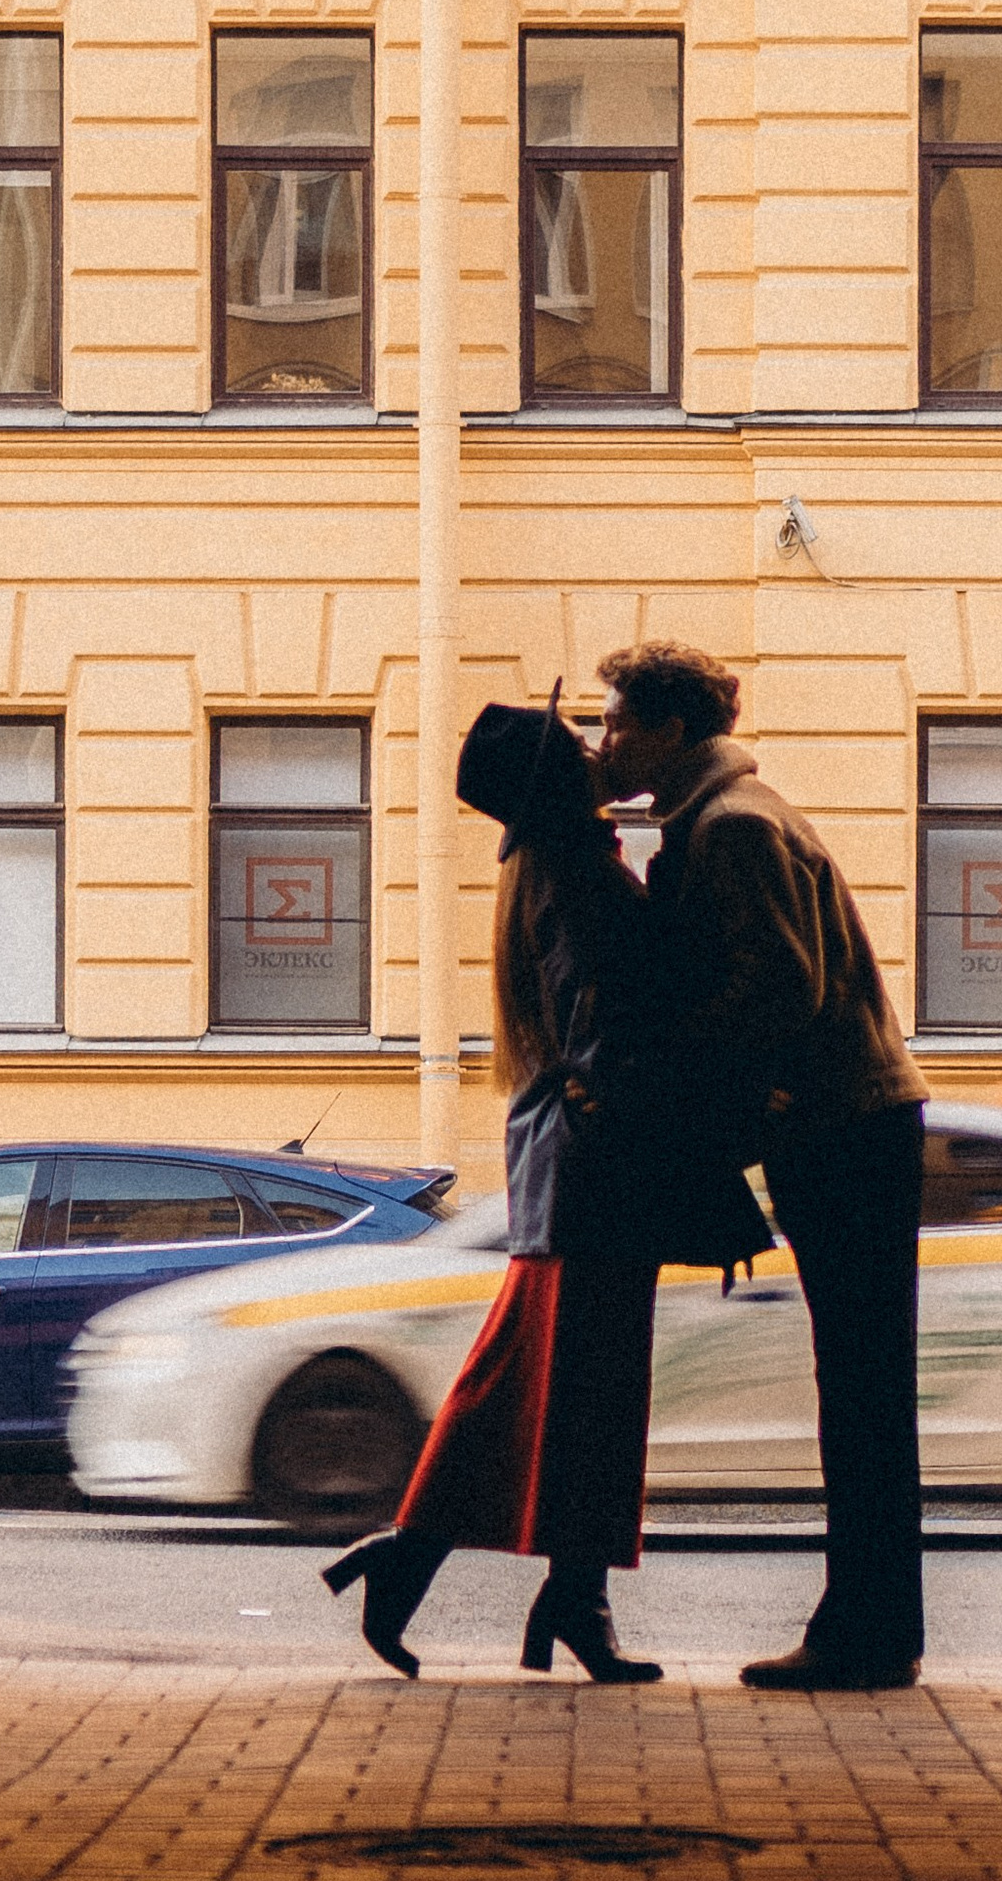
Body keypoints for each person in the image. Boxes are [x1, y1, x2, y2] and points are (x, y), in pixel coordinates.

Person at [322, 692, 768, 1682]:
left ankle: (529, 1589)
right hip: (598, 1174)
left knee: (541, 1397)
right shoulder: (587, 884)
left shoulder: (556, 873)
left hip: (573, 1171)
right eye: (577, 745)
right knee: (583, 1403)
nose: (595, 748)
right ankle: (532, 1593)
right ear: (559, 782)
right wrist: (699, 1170)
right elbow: (624, 1046)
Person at [593, 641, 930, 1693]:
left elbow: (778, 989)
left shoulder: (733, 828)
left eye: (615, 724)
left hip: (842, 1126)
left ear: (669, 731)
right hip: (852, 1121)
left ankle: (865, 1634)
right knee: (865, 1386)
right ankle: (872, 1624)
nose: (603, 744)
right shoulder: (731, 815)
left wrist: (723, 1106)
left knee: (863, 1390)